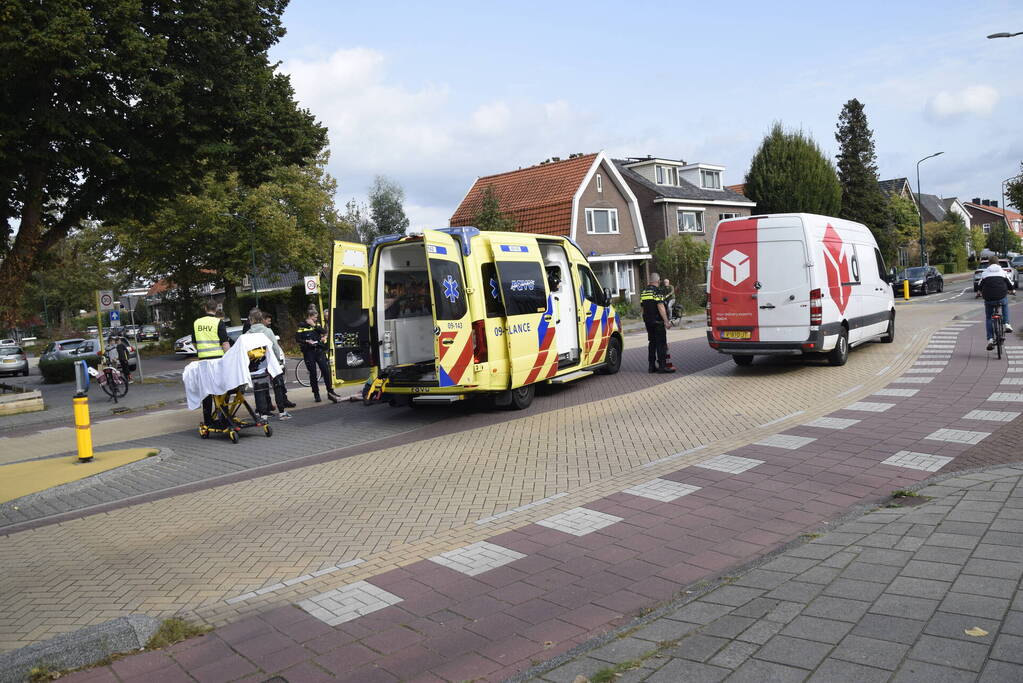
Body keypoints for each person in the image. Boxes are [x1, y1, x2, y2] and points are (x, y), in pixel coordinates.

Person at [247, 308, 291, 419]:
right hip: (271, 363)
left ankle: (263, 414)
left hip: (256, 365)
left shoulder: (247, 334)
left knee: (260, 388)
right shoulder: (267, 331)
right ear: (261, 319)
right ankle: (282, 412)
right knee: (278, 386)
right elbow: (275, 347)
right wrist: (278, 361)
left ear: (251, 320)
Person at [193, 300, 231, 426]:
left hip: (203, 361)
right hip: (217, 361)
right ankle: (223, 416)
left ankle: (208, 420)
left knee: (206, 391)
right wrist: (230, 358)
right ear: (216, 309)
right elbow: (225, 343)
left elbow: (194, 343)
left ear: (205, 308)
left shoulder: (197, 323)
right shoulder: (218, 322)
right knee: (221, 388)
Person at [296, 306, 339, 403]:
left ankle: (330, 392)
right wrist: (307, 341)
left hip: (319, 351)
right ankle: (316, 394)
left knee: (326, 371)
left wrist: (315, 326)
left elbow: (324, 331)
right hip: (309, 352)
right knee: (313, 374)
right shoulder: (301, 326)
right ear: (310, 317)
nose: (316, 319)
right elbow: (297, 339)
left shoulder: (317, 324)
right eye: (315, 317)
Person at [641, 271, 675, 373]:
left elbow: (642, 308)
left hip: (648, 322)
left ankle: (651, 367)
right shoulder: (658, 291)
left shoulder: (644, 292)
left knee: (652, 343)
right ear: (658, 281)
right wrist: (666, 321)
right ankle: (662, 366)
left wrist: (646, 319)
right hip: (658, 322)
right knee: (661, 344)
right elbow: (660, 306)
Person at [979, 257, 1015, 349]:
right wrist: (1012, 291)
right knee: (1005, 304)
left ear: (989, 264)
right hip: (1001, 296)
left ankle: (990, 339)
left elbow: (979, 285)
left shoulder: (985, 273)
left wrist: (979, 292)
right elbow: (1010, 284)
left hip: (989, 298)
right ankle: (1006, 324)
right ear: (998, 263)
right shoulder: (1003, 272)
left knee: (988, 318)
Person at [264, 313, 296, 409]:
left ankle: (267, 405)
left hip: (261, 362)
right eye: (268, 321)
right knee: (278, 382)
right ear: (263, 320)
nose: (270, 323)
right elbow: (275, 346)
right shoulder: (268, 331)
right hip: (272, 360)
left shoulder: (251, 330)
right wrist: (278, 359)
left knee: (266, 384)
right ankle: (281, 405)